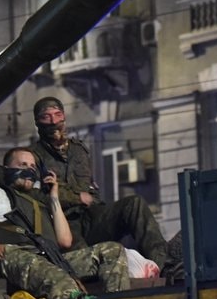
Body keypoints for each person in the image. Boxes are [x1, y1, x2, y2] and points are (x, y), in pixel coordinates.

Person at [0, 147, 129, 299]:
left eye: (32, 166)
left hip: (46, 260)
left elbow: (65, 241)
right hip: (13, 258)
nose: (29, 170)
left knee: (112, 251)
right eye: (22, 165)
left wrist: (54, 198)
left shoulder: (39, 205)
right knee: (62, 281)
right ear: (7, 169)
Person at [28, 96, 169, 268]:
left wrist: (93, 198)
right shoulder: (32, 156)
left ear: (64, 116)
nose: (53, 121)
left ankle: (163, 264)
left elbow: (90, 185)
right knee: (86, 261)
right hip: (63, 223)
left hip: (91, 215)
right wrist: (76, 198)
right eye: (46, 117)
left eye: (57, 115)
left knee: (134, 205)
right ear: (38, 122)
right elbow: (35, 195)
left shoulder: (78, 150)